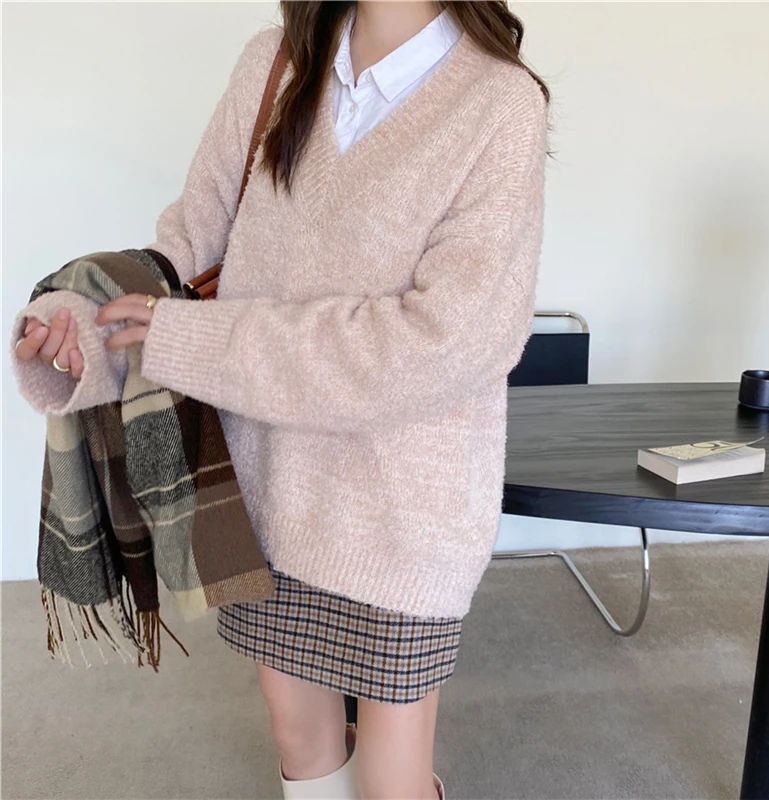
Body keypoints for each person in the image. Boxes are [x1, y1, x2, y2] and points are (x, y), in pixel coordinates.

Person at [11, 1, 550, 798]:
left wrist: (191, 342)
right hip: (265, 491)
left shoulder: (499, 103)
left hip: (402, 515)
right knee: (298, 733)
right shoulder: (274, 64)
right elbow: (186, 248)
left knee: (392, 777)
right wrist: (79, 321)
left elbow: (440, 346)